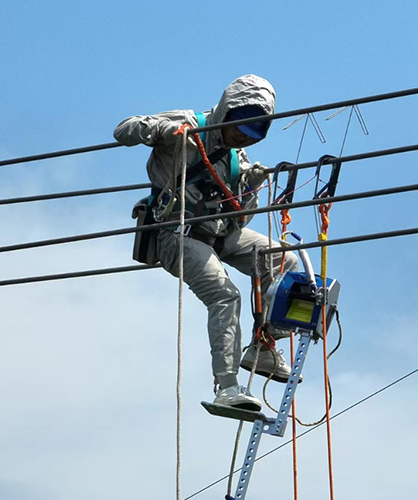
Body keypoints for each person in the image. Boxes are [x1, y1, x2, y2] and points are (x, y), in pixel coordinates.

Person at [114, 74, 298, 412]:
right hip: (175, 232)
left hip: (219, 233)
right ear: (228, 110)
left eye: (256, 130)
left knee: (284, 260)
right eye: (243, 123)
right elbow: (124, 130)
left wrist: (251, 189)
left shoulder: (235, 158)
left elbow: (241, 217)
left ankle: (264, 344)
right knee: (225, 295)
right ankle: (226, 386)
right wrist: (156, 129)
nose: (245, 134)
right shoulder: (188, 125)